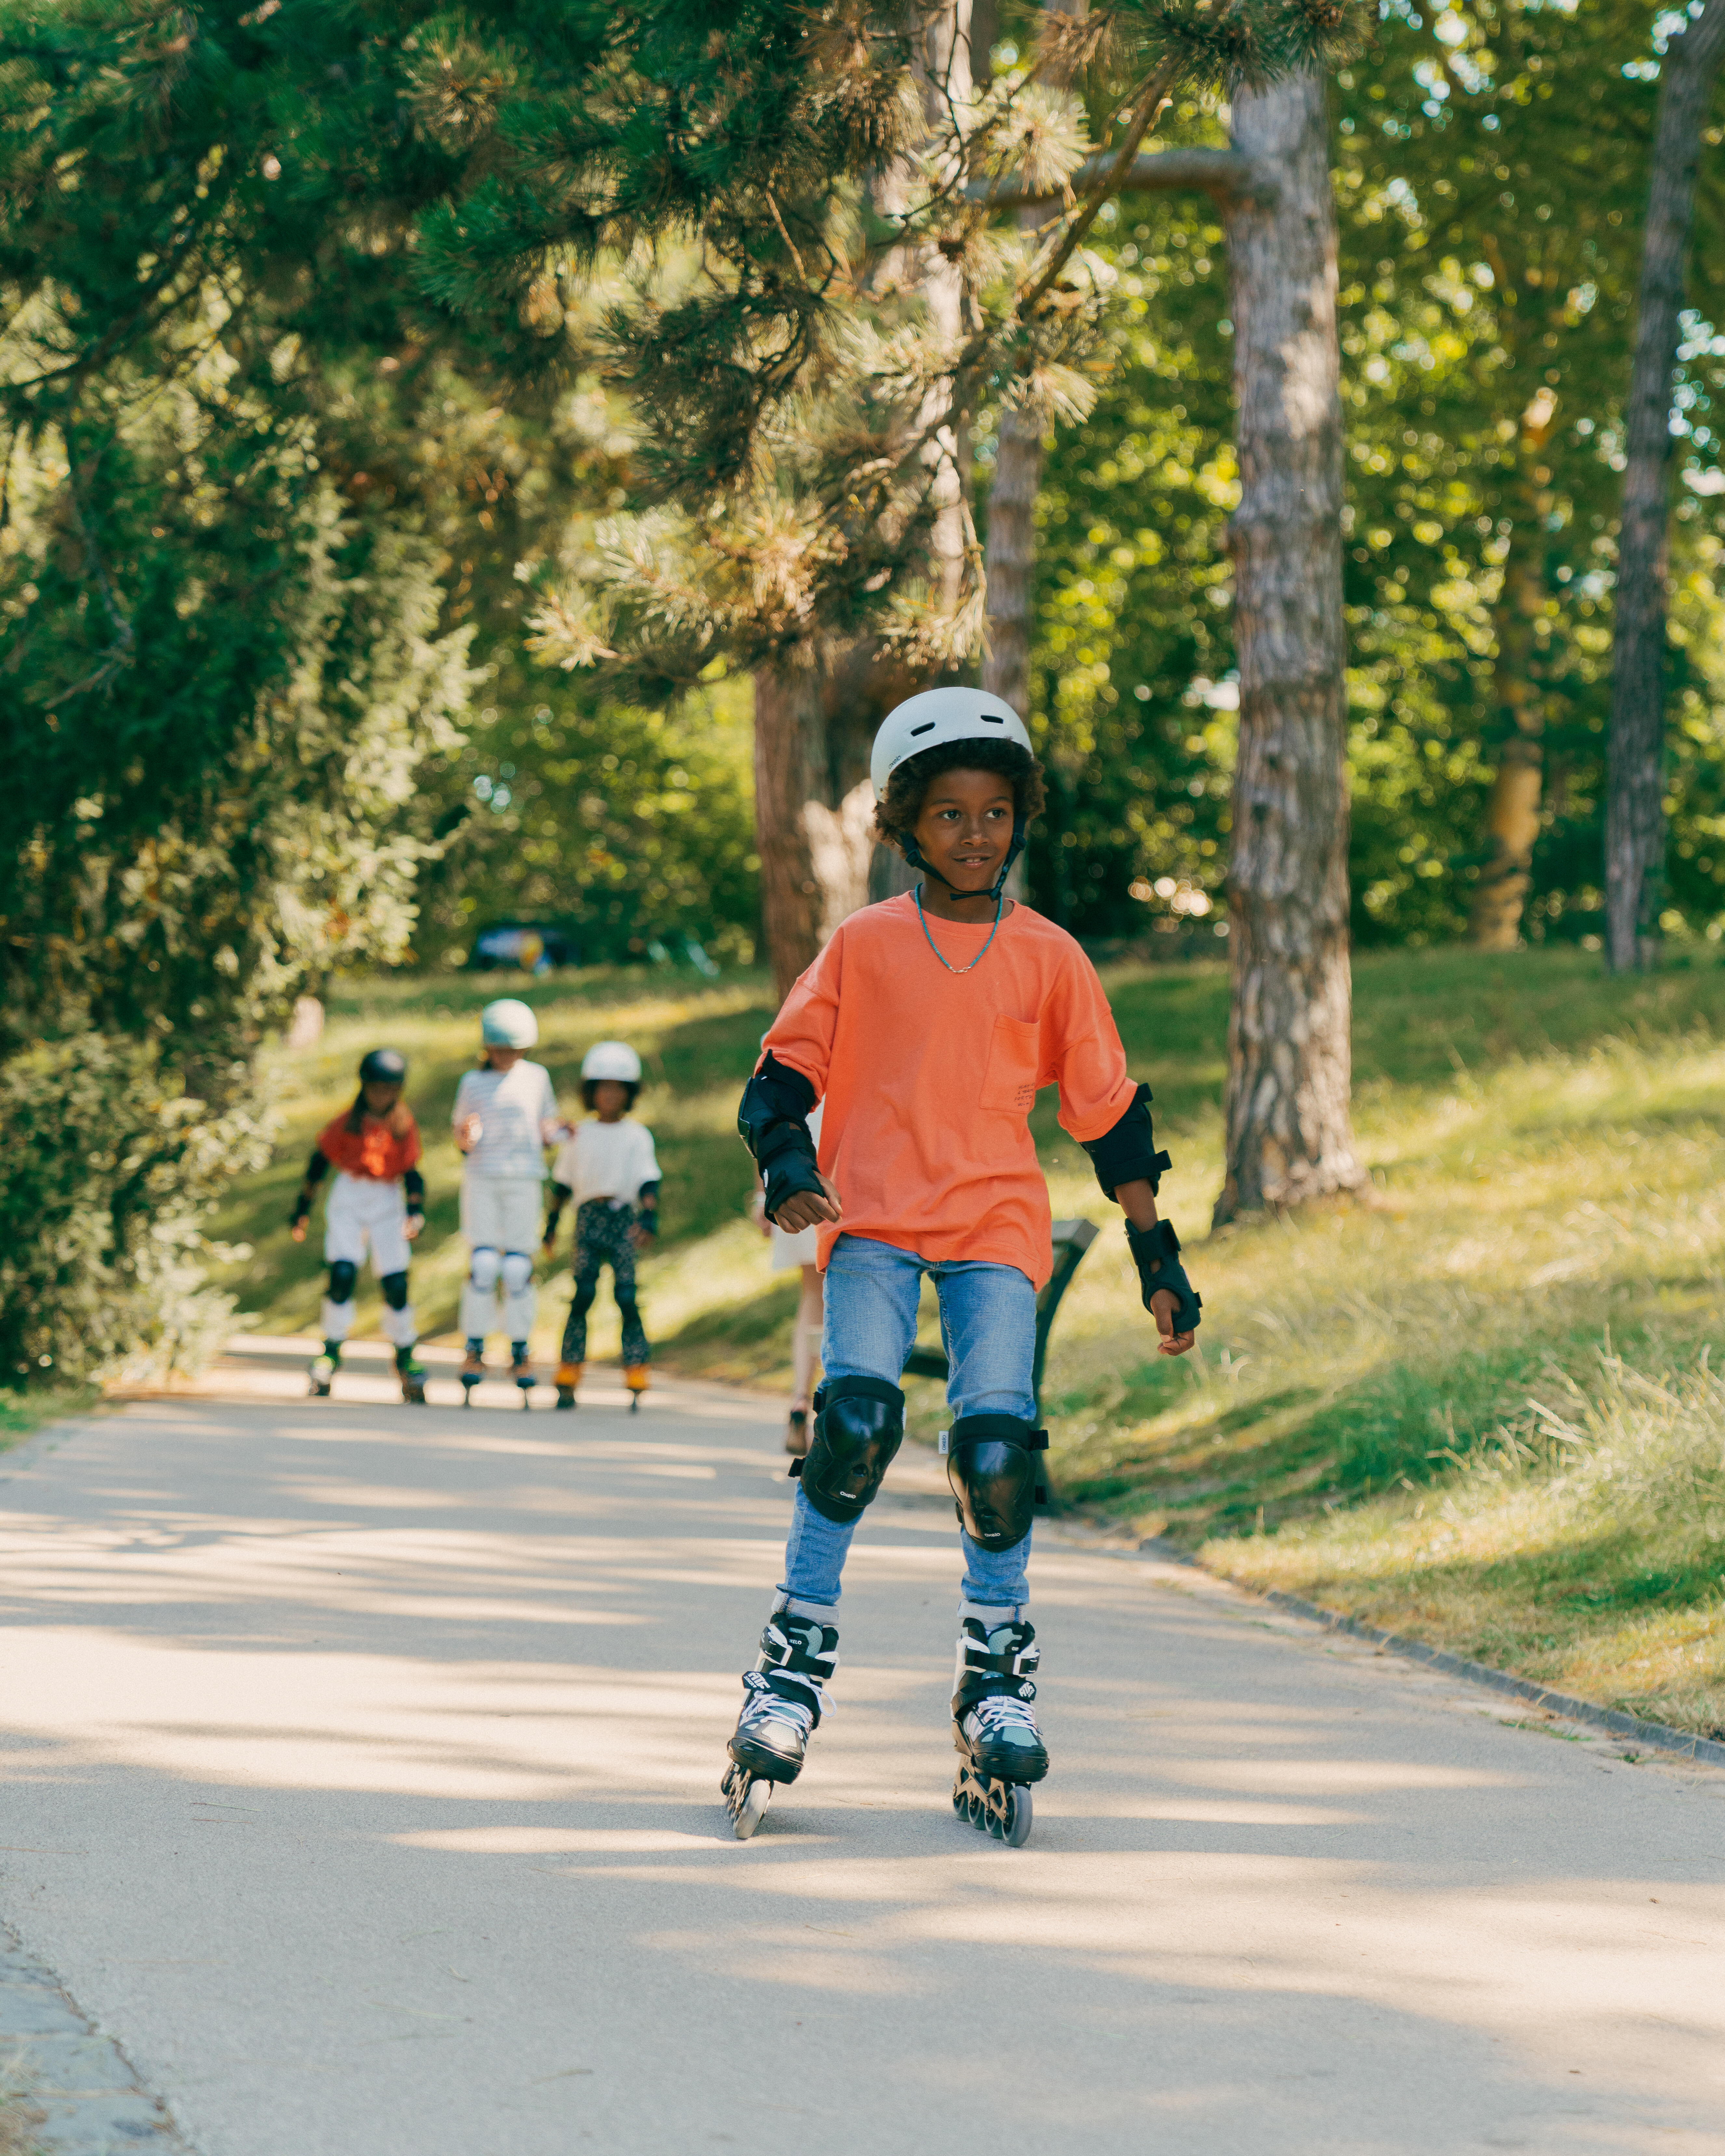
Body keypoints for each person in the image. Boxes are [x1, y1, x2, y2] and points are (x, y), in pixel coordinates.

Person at [721, 687, 1203, 1844]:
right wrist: (788, 1162)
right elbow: (777, 1080)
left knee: (998, 1448)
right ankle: (786, 1672)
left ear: (1021, 817)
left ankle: (994, 1677)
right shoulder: (865, 945)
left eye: (995, 812)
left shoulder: (1049, 956)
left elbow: (1112, 1117)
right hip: (874, 1215)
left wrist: (1156, 1252)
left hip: (993, 1224)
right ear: (903, 824)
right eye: (948, 814)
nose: (975, 833)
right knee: (853, 1424)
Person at [290, 1048, 428, 1404]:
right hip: (350, 1194)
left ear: (398, 1091)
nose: (382, 1096)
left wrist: (416, 1211)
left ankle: (405, 1354)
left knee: (395, 1281)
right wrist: (302, 1209)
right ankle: (331, 1351)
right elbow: (319, 1163)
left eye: (389, 1089)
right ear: (364, 1087)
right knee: (343, 1274)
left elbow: (413, 1173)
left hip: (387, 1197)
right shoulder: (347, 1122)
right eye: (376, 1088)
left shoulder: (402, 1125)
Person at [452, 999, 565, 1405]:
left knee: (517, 1267)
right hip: (482, 1177)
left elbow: (546, 1126)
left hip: (524, 1178)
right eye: (499, 1048)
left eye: (513, 1049)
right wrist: (466, 1136)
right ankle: (475, 1348)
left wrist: (561, 1134)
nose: (506, 1056)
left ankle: (521, 1351)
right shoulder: (472, 1083)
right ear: (487, 1047)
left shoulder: (537, 1078)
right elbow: (461, 1135)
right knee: (483, 1264)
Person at [545, 1041, 661, 1412]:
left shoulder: (637, 1136)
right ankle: (569, 1372)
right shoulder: (579, 1134)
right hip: (588, 1218)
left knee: (626, 1296)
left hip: (622, 1218)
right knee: (582, 1296)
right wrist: (550, 1226)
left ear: (629, 1093)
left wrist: (649, 1217)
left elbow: (648, 1182)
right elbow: (562, 1185)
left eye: (617, 1088)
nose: (609, 1094)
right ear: (590, 1091)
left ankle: (637, 1369)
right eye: (602, 1086)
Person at [754, 1095, 825, 1457]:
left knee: (812, 1296)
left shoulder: (781, 1039)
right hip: (847, 1179)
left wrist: (762, 1194)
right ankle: (837, 1408)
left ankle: (801, 1398)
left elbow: (763, 1116)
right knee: (852, 1295)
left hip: (794, 1179)